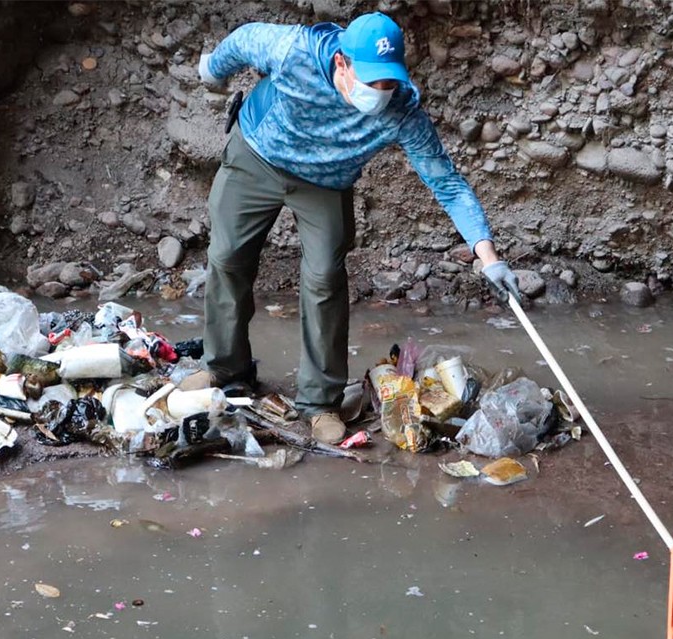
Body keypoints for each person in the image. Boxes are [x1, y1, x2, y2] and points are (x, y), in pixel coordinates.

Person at [197, 12, 521, 444]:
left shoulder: (402, 111)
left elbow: (446, 182)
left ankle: (319, 402)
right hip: (257, 155)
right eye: (371, 82)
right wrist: (212, 70)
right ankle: (224, 369)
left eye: (388, 83)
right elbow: (240, 40)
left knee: (325, 277)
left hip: (326, 184)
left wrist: (489, 258)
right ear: (341, 64)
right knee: (227, 258)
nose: (380, 93)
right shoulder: (293, 50)